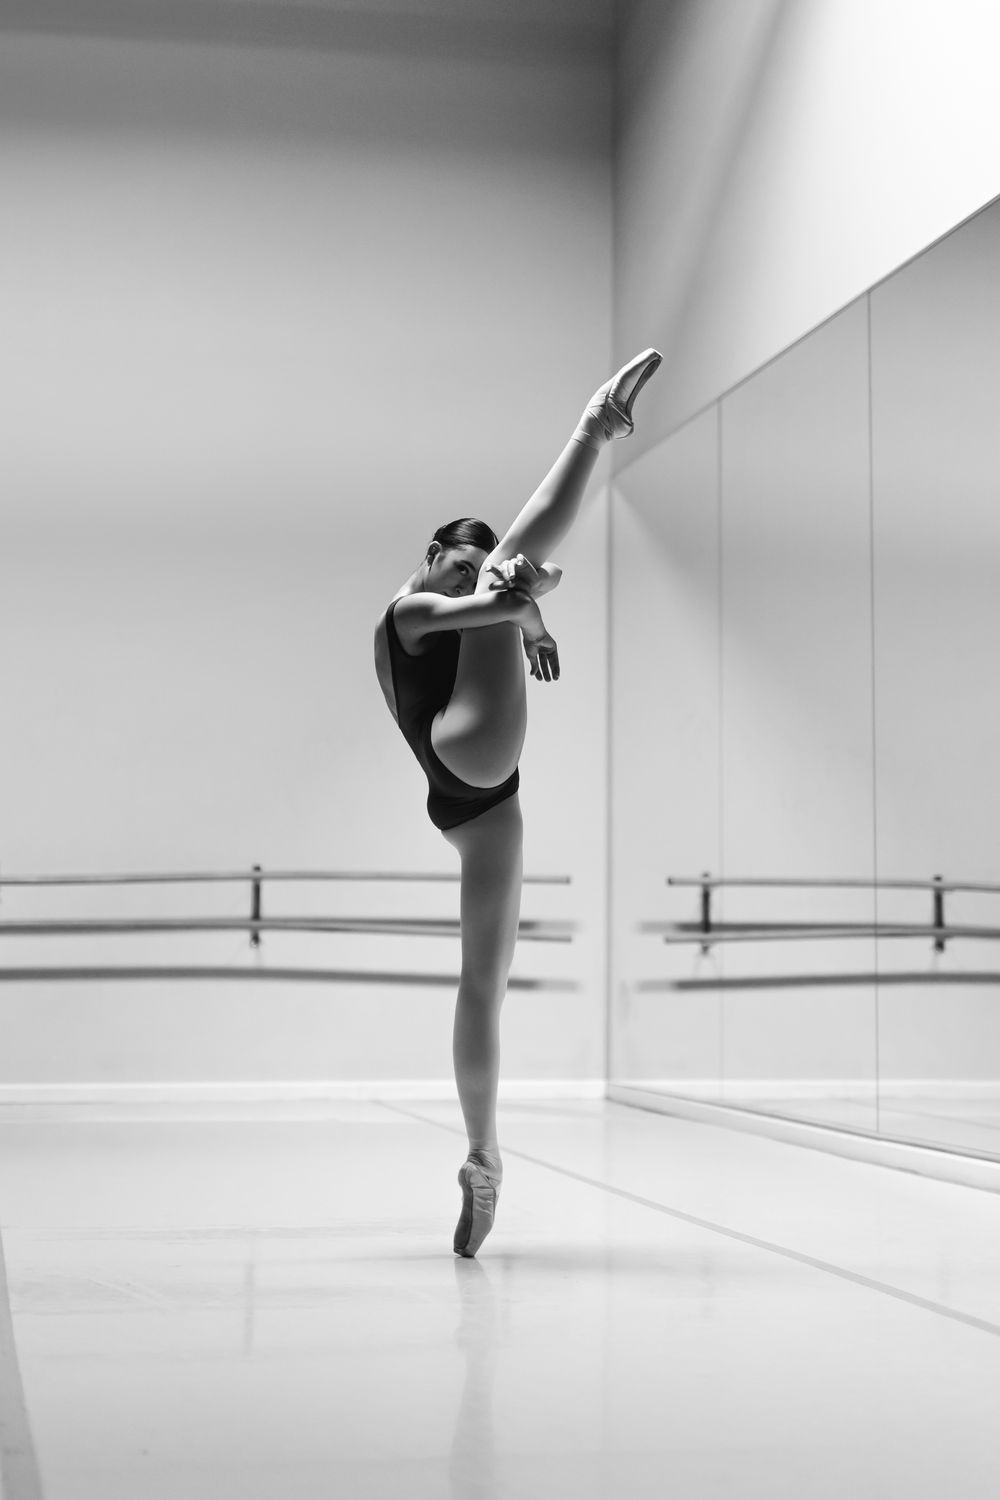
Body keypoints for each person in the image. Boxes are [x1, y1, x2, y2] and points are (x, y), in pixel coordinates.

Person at [373, 348, 662, 1256]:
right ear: (429, 558)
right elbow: (485, 609)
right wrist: (523, 605)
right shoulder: (405, 613)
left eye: (471, 570)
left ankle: (483, 1155)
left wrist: (523, 605)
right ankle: (595, 425)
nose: (466, 578)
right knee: (516, 569)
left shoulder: (451, 604)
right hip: (465, 747)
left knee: (483, 988)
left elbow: (495, 605)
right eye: (457, 565)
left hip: (475, 806)